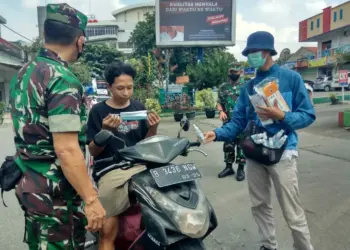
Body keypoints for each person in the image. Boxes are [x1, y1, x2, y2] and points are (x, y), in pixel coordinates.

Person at [203, 31, 315, 250]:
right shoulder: (248, 87)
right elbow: (238, 122)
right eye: (249, 53)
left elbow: (308, 115)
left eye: (255, 52)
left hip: (283, 153)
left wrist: (282, 116)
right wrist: (217, 134)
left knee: (291, 210)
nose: (251, 56)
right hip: (254, 153)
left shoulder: (291, 79)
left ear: (268, 52)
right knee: (260, 205)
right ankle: (268, 245)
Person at [10, 3, 105, 249]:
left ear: (46, 35)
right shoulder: (62, 79)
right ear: (80, 40)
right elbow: (66, 149)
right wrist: (91, 200)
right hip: (56, 195)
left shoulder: (23, 73)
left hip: (30, 184)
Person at [86, 61, 161, 250]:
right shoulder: (98, 111)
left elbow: (145, 145)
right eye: (120, 88)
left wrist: (153, 127)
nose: (126, 92)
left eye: (130, 87)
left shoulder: (138, 107)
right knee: (108, 229)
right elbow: (93, 151)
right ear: (109, 86)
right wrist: (104, 132)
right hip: (110, 169)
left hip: (138, 166)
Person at [216, 62, 246, 181]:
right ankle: (229, 167)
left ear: (240, 72)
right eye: (232, 72)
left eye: (236, 72)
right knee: (228, 144)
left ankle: (240, 169)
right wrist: (221, 112)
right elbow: (219, 102)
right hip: (228, 121)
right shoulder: (223, 87)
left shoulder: (245, 86)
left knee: (242, 145)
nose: (234, 74)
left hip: (242, 121)